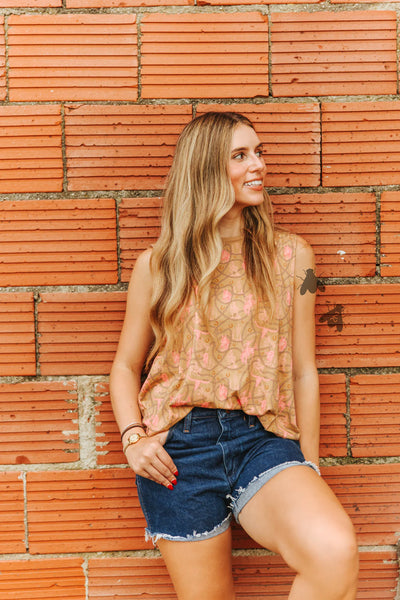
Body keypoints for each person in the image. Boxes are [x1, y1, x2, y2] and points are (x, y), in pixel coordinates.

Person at [110, 111, 359, 600]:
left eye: (259, 153)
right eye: (240, 156)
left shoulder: (294, 258)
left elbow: (303, 371)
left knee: (333, 552)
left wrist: (308, 464)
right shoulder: (158, 265)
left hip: (262, 439)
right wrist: (133, 438)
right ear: (206, 169)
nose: (258, 165)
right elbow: (124, 367)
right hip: (178, 451)